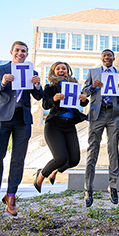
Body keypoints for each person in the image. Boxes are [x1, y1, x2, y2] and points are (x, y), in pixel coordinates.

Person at [0, 41, 43, 216]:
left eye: (24, 51)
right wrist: (1, 82)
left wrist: (38, 85)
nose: (20, 53)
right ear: (11, 52)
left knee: (18, 160)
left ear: (27, 54)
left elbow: (39, 96)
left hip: (22, 120)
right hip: (3, 118)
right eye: (17, 50)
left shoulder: (32, 72)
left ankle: (11, 197)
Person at [33, 62, 89, 193]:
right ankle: (41, 174)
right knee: (61, 158)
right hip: (54, 125)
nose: (61, 70)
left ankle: (55, 170)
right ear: (53, 72)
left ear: (67, 71)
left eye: (63, 68)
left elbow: (82, 102)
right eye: (57, 69)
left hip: (69, 125)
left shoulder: (74, 85)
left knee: (74, 160)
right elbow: (45, 105)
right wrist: (54, 98)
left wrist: (83, 99)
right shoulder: (50, 87)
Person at [82, 49, 119, 207]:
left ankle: (113, 186)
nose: (107, 58)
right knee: (93, 149)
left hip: (113, 115)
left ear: (114, 58)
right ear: (101, 58)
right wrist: (93, 87)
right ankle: (88, 188)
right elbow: (84, 93)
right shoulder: (93, 72)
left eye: (110, 56)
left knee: (113, 148)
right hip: (97, 114)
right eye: (105, 56)